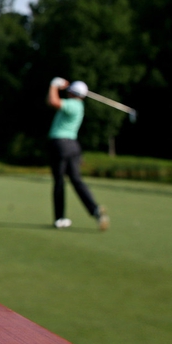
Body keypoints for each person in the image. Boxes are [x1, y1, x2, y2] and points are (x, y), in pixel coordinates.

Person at [46, 77, 110, 231]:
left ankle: (60, 218)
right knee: (76, 180)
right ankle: (94, 209)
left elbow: (53, 101)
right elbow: (53, 100)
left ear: (72, 93)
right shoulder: (79, 105)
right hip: (73, 146)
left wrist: (54, 85)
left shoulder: (73, 104)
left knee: (59, 182)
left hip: (60, 144)